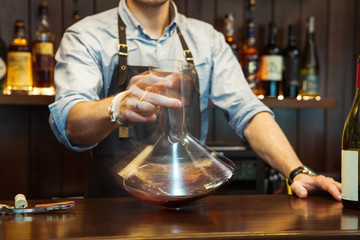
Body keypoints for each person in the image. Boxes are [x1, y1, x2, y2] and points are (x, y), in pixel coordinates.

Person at [49, 0, 341, 200]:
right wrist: (117, 107)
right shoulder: (85, 35)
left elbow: (248, 112)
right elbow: (69, 124)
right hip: (110, 209)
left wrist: (297, 171)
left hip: (189, 208)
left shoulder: (207, 40)